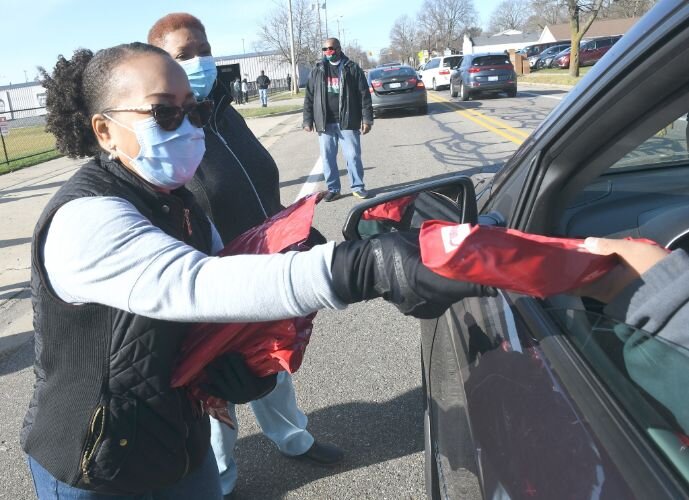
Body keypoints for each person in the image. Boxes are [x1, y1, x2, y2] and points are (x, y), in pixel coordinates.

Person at [24, 41, 487, 498]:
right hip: (93, 463)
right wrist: (362, 268)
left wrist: (244, 362)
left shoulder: (182, 207)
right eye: (163, 113)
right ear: (105, 131)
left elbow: (223, 306)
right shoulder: (83, 218)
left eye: (195, 111)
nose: (186, 127)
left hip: (179, 442)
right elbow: (191, 284)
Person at [147, 12, 341, 495]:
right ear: (161, 66)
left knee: (269, 364)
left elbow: (257, 184)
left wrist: (295, 234)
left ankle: (292, 437)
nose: (200, 61)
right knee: (219, 391)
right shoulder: (167, 130)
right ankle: (221, 479)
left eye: (203, 49)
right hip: (214, 286)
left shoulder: (223, 112)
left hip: (266, 270)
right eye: (184, 55)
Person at [303, 37, 373, 202]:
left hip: (348, 121)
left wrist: (367, 119)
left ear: (339, 49)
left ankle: (358, 187)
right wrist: (307, 120)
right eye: (325, 49)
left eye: (331, 49)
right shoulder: (318, 70)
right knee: (327, 158)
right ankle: (333, 189)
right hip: (325, 122)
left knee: (352, 156)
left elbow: (364, 95)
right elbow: (309, 97)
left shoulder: (351, 68)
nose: (328, 52)